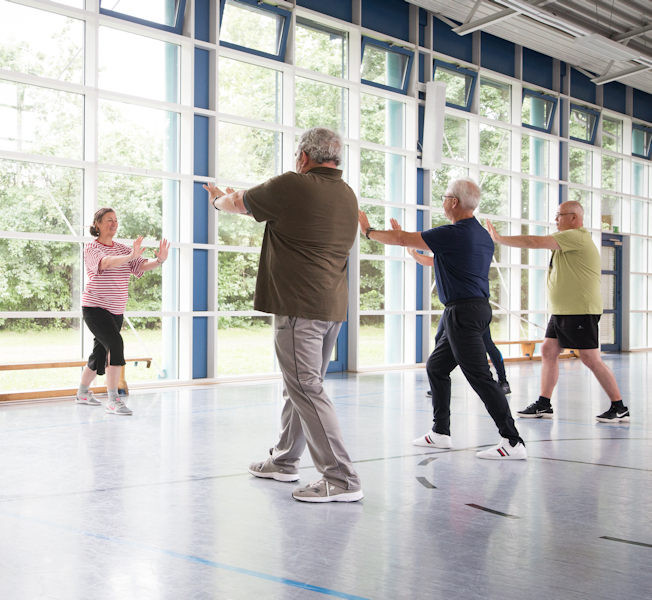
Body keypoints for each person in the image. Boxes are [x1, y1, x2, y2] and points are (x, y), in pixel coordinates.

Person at [205, 127, 364, 503]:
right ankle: (285, 460)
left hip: (299, 308)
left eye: (297, 155)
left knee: (306, 388)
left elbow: (239, 203)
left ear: (304, 157)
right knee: (300, 386)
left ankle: (341, 479)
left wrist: (218, 201)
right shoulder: (346, 194)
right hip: (330, 308)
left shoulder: (294, 184)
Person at [358, 178, 526, 460]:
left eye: (445, 196)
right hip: (471, 310)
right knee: (437, 367)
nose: (443, 200)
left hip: (463, 313)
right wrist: (409, 245)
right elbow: (432, 258)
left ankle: (512, 441)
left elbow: (402, 237)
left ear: (455, 202)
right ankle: (440, 432)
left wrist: (369, 231)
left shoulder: (454, 232)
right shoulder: (480, 236)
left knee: (481, 378)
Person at [486, 201, 630, 423]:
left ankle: (619, 407)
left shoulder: (576, 236)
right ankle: (544, 404)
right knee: (548, 350)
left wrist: (500, 239)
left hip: (579, 311)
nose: (555, 219)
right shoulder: (566, 241)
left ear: (574, 218)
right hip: (563, 311)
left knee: (591, 359)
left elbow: (534, 242)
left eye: (559, 215)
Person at [394, 220, 510, 397]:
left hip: (471, 306)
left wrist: (404, 240)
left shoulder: (463, 243)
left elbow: (425, 255)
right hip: (454, 307)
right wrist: (410, 248)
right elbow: (427, 261)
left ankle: (503, 381)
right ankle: (438, 379)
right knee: (439, 337)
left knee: (487, 344)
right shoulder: (447, 250)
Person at [75, 208, 169, 416]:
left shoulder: (123, 248)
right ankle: (113, 400)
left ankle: (82, 393)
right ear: (97, 223)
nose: (114, 223)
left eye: (116, 220)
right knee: (115, 344)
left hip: (116, 310)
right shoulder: (92, 248)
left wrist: (160, 260)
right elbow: (105, 263)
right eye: (109, 220)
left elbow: (141, 265)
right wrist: (130, 255)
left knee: (101, 353)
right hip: (95, 307)